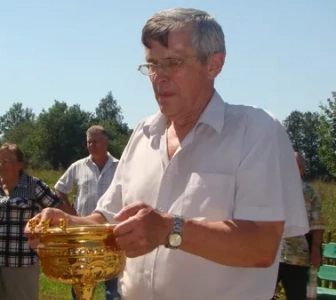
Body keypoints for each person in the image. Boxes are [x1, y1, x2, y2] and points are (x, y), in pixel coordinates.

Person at [26, 8, 309, 300]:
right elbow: (109, 218)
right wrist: (68, 224)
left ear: (214, 64)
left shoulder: (257, 130)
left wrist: (169, 229)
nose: (158, 77)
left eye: (172, 62)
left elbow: (262, 246)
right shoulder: (143, 133)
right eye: (151, 65)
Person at [0, 143, 73, 300]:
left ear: (20, 164)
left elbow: (60, 211)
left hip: (21, 259)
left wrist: (50, 237)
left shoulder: (33, 185)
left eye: (6, 161)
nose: (1, 166)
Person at [54, 125, 120, 300]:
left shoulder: (120, 167)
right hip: (83, 233)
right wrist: (72, 215)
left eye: (96, 141)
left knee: (113, 283)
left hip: (111, 232)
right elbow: (60, 190)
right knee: (81, 280)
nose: (92, 145)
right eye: (89, 142)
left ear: (106, 142)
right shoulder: (78, 166)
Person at [271, 152, 325, 300]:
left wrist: (315, 251)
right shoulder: (271, 190)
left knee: (298, 296)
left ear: (303, 169)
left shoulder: (310, 193)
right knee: (262, 295)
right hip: (271, 256)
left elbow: (318, 225)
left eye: (299, 166)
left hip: (298, 258)